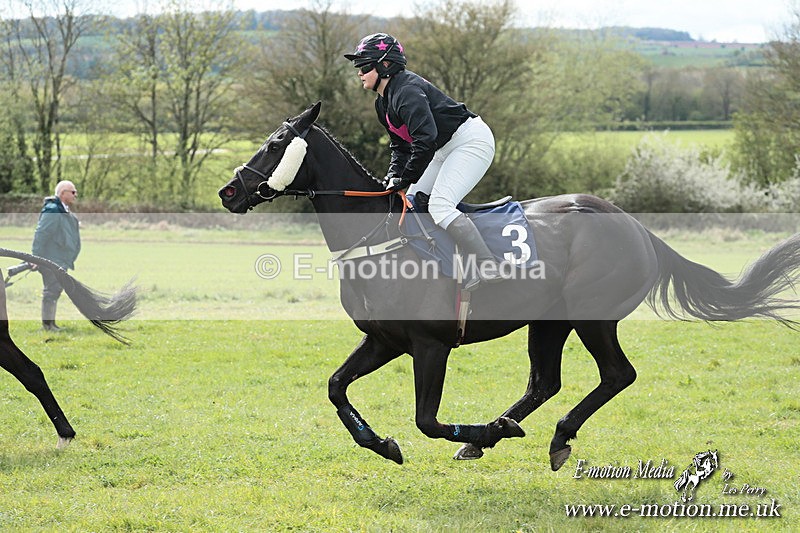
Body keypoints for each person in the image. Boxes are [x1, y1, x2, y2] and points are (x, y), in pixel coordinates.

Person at [344, 32, 502, 289]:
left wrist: (406, 177)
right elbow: (400, 146)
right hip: (442, 148)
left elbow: (424, 141)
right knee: (411, 204)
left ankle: (487, 265)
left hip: (470, 141)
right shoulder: (383, 103)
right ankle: (446, 265)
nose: (359, 72)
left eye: (364, 66)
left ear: (385, 65)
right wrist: (393, 176)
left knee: (440, 205)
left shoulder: (407, 92)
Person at [31, 180, 81, 331]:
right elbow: (41, 234)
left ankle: (51, 324)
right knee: (52, 290)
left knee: (55, 290)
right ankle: (47, 326)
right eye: (73, 192)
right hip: (51, 258)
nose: (76, 195)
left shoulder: (64, 211)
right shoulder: (53, 210)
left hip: (61, 259)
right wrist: (35, 257)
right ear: (63, 193)